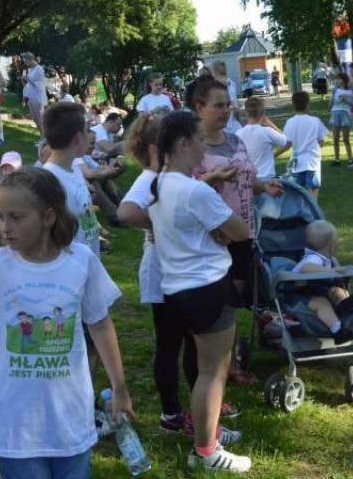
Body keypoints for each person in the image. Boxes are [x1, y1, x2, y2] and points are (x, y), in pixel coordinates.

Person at [0, 168, 133, 479]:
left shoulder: (81, 261)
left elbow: (100, 325)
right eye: (1, 216)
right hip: (15, 420)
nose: (5, 227)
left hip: (70, 416)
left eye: (16, 217)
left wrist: (119, 387)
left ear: (48, 217)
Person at [117, 115, 240, 442]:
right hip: (168, 273)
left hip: (178, 271)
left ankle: (203, 413)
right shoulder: (151, 178)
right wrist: (162, 224)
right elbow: (125, 212)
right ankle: (174, 415)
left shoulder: (170, 179)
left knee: (193, 346)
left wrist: (210, 180)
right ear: (162, 147)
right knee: (170, 345)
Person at [150, 111, 253, 473]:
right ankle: (206, 451)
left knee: (205, 370)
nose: (204, 148)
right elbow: (240, 231)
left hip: (177, 288)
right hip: (207, 287)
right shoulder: (195, 190)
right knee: (212, 373)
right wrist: (220, 230)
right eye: (199, 141)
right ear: (183, 144)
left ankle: (209, 432)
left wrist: (215, 230)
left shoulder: (160, 184)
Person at [193, 78, 281, 386]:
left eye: (228, 105)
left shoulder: (236, 140)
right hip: (212, 236)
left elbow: (248, 181)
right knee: (218, 301)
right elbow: (181, 190)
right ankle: (218, 366)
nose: (226, 110)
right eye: (218, 105)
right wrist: (213, 177)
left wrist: (265, 186)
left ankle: (227, 362)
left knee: (234, 299)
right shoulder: (192, 147)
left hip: (242, 232)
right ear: (199, 108)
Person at [42, 102, 103, 257]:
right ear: (77, 139)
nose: (89, 135)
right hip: (72, 264)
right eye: (86, 130)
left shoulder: (73, 166)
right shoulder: (52, 182)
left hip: (88, 260)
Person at [287, 220, 353, 342]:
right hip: (300, 296)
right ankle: (338, 331)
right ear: (330, 245)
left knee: (336, 290)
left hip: (318, 291)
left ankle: (343, 305)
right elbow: (306, 267)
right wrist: (330, 271)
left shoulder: (323, 258)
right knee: (322, 303)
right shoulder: (313, 258)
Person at [283, 92, 329, 198]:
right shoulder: (315, 121)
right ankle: (313, 206)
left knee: (297, 191)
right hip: (312, 162)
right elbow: (321, 141)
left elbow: (287, 142)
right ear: (308, 104)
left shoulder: (290, 122)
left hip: (297, 162)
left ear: (293, 105)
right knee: (313, 189)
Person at [236, 97, 288, 180]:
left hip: (248, 180)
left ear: (246, 113)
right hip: (267, 179)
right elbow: (287, 141)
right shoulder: (267, 131)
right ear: (263, 113)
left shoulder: (238, 133)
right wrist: (269, 123)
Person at [328, 72, 353, 167]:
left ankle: (350, 159)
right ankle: (337, 159)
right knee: (335, 138)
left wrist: (346, 100)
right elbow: (330, 105)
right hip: (336, 113)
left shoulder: (350, 92)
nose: (337, 80)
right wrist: (332, 96)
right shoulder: (336, 91)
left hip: (345, 114)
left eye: (339, 79)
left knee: (346, 138)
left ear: (344, 80)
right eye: (337, 79)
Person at [20, 52, 47, 136]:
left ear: (31, 59)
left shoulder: (39, 69)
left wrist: (27, 78)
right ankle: (42, 137)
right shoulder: (31, 69)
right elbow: (29, 85)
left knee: (40, 118)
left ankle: (46, 138)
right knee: (34, 118)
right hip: (31, 97)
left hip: (38, 97)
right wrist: (24, 80)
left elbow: (40, 85)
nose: (25, 63)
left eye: (26, 61)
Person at [211, 61, 241, 134]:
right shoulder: (232, 84)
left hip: (223, 124)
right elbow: (235, 107)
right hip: (234, 123)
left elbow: (232, 105)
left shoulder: (215, 86)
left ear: (214, 72)